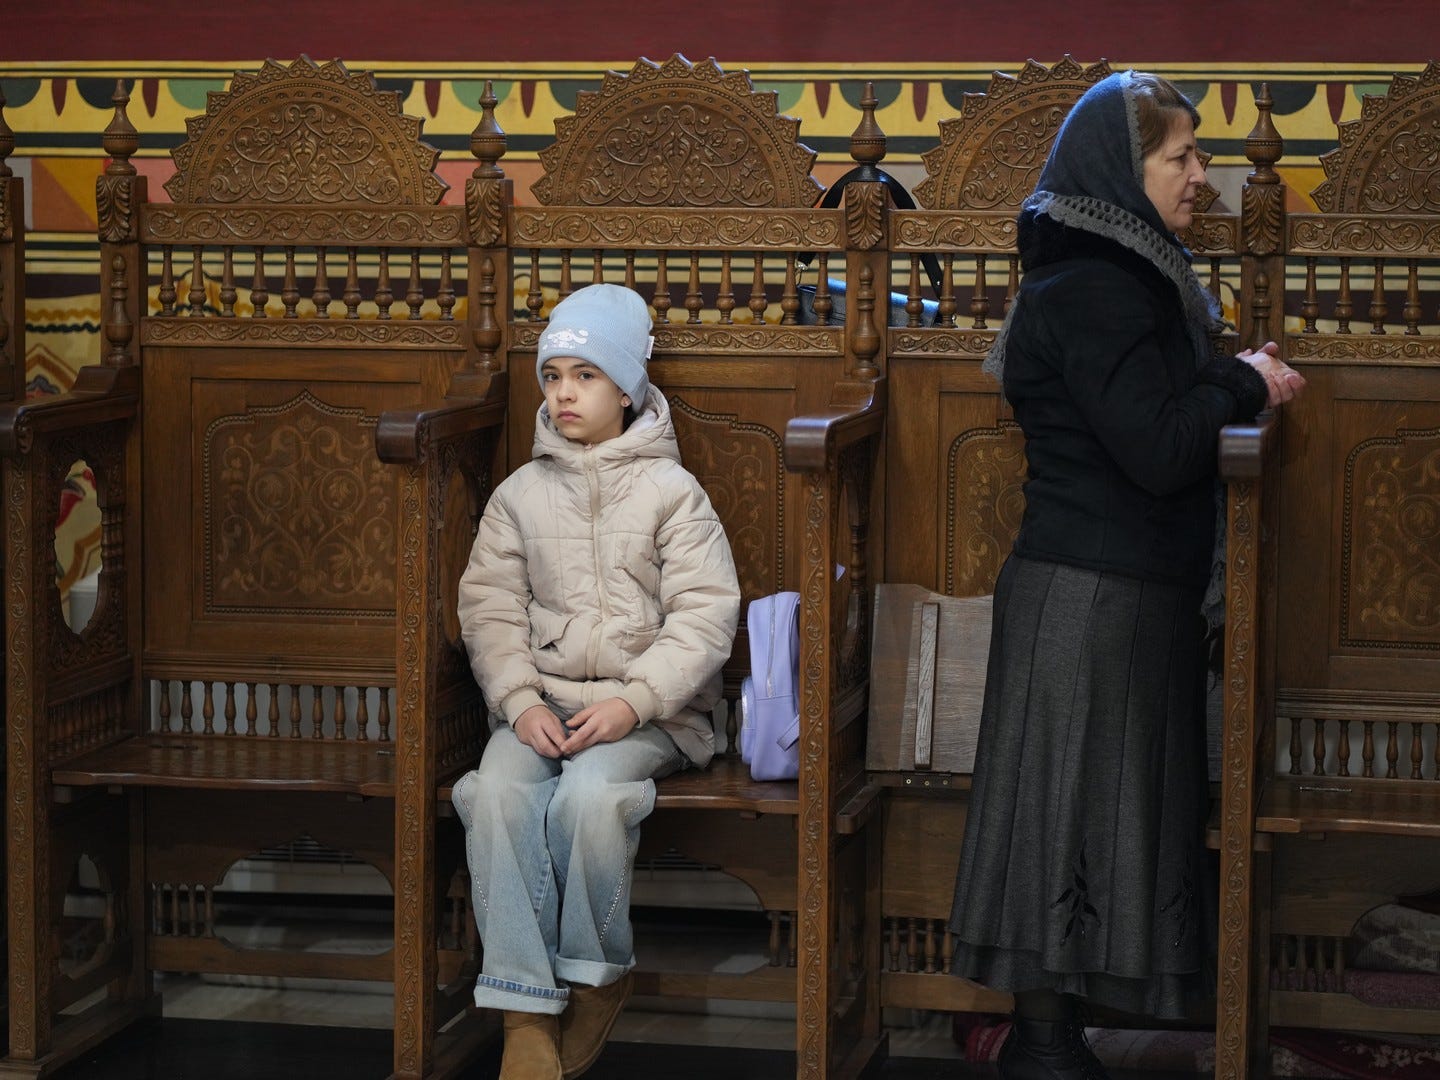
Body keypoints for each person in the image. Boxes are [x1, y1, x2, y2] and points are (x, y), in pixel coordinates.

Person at [947, 71, 1305, 1080]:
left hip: (1110, 592)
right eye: (1181, 157)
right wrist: (1245, 379)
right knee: (1059, 827)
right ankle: (1044, 1052)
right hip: (1089, 595)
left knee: (1077, 826)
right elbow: (1158, 446)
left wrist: (1230, 378)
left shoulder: (1125, 276)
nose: (1201, 177)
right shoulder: (1096, 288)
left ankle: (1051, 1048)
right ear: (1122, 166)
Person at [451, 283, 741, 1080]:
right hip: (541, 708)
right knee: (496, 794)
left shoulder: (672, 493)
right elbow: (489, 610)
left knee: (589, 798)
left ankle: (593, 979)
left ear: (627, 390)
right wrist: (519, 702)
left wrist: (633, 701)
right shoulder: (518, 495)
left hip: (651, 715)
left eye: (586, 376)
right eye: (553, 377)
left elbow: (705, 615)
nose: (565, 393)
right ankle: (523, 1007)